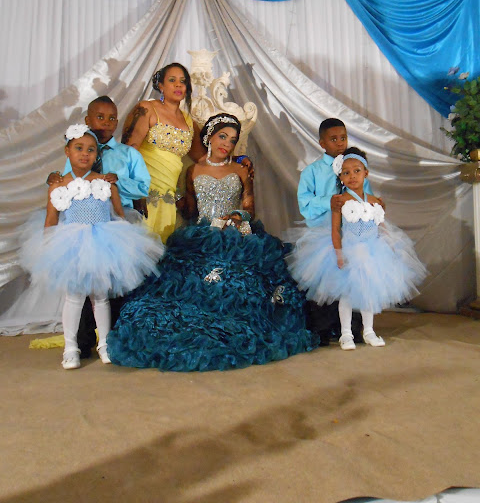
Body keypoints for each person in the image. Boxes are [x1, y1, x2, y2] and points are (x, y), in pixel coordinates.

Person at [107, 114, 319, 371]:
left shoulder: (241, 169)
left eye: (233, 140)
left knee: (241, 282)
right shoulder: (193, 170)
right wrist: (175, 200)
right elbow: (192, 211)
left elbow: (250, 207)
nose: (227, 144)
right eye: (222, 137)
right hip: (202, 235)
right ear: (209, 138)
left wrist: (237, 217)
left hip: (236, 233)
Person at [20, 124, 164, 370]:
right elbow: (51, 220)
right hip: (72, 245)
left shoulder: (105, 183)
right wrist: (48, 251)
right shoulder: (58, 186)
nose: (85, 154)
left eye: (91, 150)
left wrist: (125, 244)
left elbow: (119, 216)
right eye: (79, 148)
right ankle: (70, 347)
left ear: (97, 154)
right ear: (67, 151)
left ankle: (105, 344)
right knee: (74, 297)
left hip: (102, 243)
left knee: (101, 296)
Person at [289, 147, 427, 350]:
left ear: (366, 173)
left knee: (368, 293)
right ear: (340, 177)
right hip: (349, 251)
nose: (352, 176)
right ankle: (346, 334)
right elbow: (335, 230)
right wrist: (339, 253)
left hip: (373, 252)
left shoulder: (375, 201)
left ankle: (368, 331)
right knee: (347, 294)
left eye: (356, 171)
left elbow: (381, 227)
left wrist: (391, 246)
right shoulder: (341, 201)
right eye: (346, 172)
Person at [47, 96, 151, 357]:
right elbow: (67, 183)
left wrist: (116, 182)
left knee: (111, 290)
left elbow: (142, 187)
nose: (106, 122)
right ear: (88, 120)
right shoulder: (80, 149)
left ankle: (110, 340)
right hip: (79, 227)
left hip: (113, 223)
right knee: (79, 291)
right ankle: (80, 342)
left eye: (112, 118)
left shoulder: (129, 154)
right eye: (100, 117)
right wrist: (54, 180)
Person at [295, 118, 376, 344]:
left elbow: (366, 197)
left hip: (354, 236)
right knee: (326, 282)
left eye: (343, 138)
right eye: (333, 139)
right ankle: (323, 328)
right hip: (323, 234)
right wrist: (328, 201)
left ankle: (353, 327)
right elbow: (304, 204)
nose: (340, 143)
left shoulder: (356, 167)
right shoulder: (312, 172)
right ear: (322, 143)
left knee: (354, 279)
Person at [121, 63, 204, 242]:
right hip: (143, 192)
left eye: (183, 81)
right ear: (161, 85)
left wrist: (238, 159)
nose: (178, 85)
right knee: (139, 244)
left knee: (162, 246)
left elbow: (204, 158)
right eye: (172, 80)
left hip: (169, 199)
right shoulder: (146, 109)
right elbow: (127, 152)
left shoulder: (189, 122)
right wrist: (135, 193)